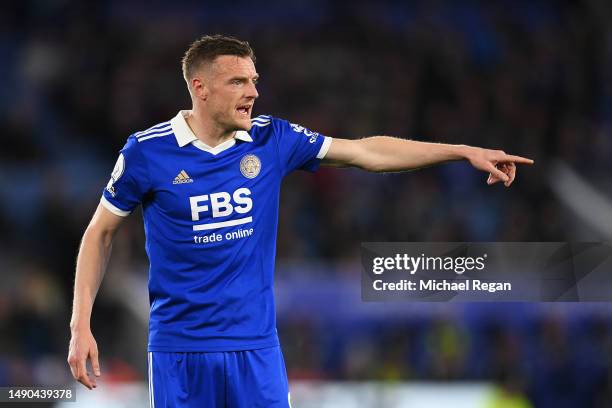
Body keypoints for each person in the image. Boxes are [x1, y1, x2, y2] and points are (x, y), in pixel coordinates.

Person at [67, 34, 533, 407]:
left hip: (257, 349)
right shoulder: (147, 152)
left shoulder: (274, 138)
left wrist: (462, 151)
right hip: (179, 351)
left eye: (254, 80)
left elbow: (366, 151)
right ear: (200, 88)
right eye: (238, 82)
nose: (253, 91)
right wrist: (80, 325)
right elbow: (99, 232)